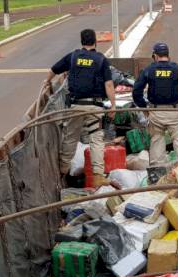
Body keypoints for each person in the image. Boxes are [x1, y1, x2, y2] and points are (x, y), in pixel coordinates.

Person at [44, 29, 116, 188]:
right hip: (94, 107)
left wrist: (46, 82)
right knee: (96, 138)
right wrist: (113, 105)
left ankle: (62, 171)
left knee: (70, 137)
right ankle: (98, 176)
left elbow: (53, 70)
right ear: (95, 41)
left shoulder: (73, 56)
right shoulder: (101, 59)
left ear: (82, 41)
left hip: (76, 106)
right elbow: (109, 84)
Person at [132, 42, 178, 167]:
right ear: (168, 55)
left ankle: (156, 174)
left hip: (156, 113)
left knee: (157, 140)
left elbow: (136, 91)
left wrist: (144, 108)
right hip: (175, 112)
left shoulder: (148, 70)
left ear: (155, 55)